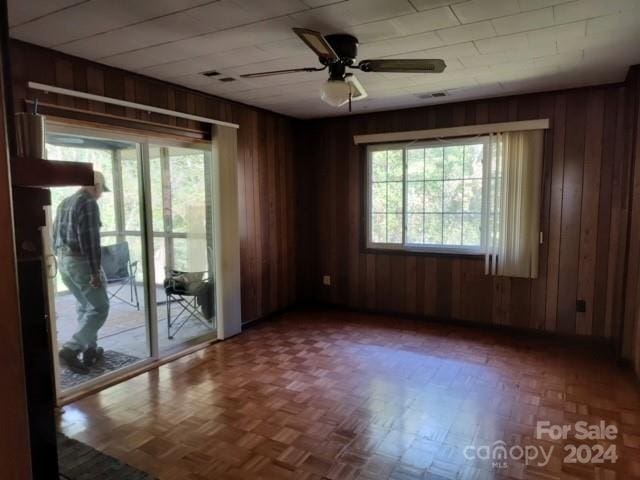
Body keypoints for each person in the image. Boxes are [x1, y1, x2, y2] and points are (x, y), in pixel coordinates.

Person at [54, 171, 110, 374]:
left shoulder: (65, 202)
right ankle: (71, 349)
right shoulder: (88, 203)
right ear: (95, 186)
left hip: (64, 261)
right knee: (100, 308)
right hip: (81, 262)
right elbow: (90, 241)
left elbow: (54, 236)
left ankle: (90, 350)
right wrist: (95, 272)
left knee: (86, 306)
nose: (100, 195)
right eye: (101, 190)